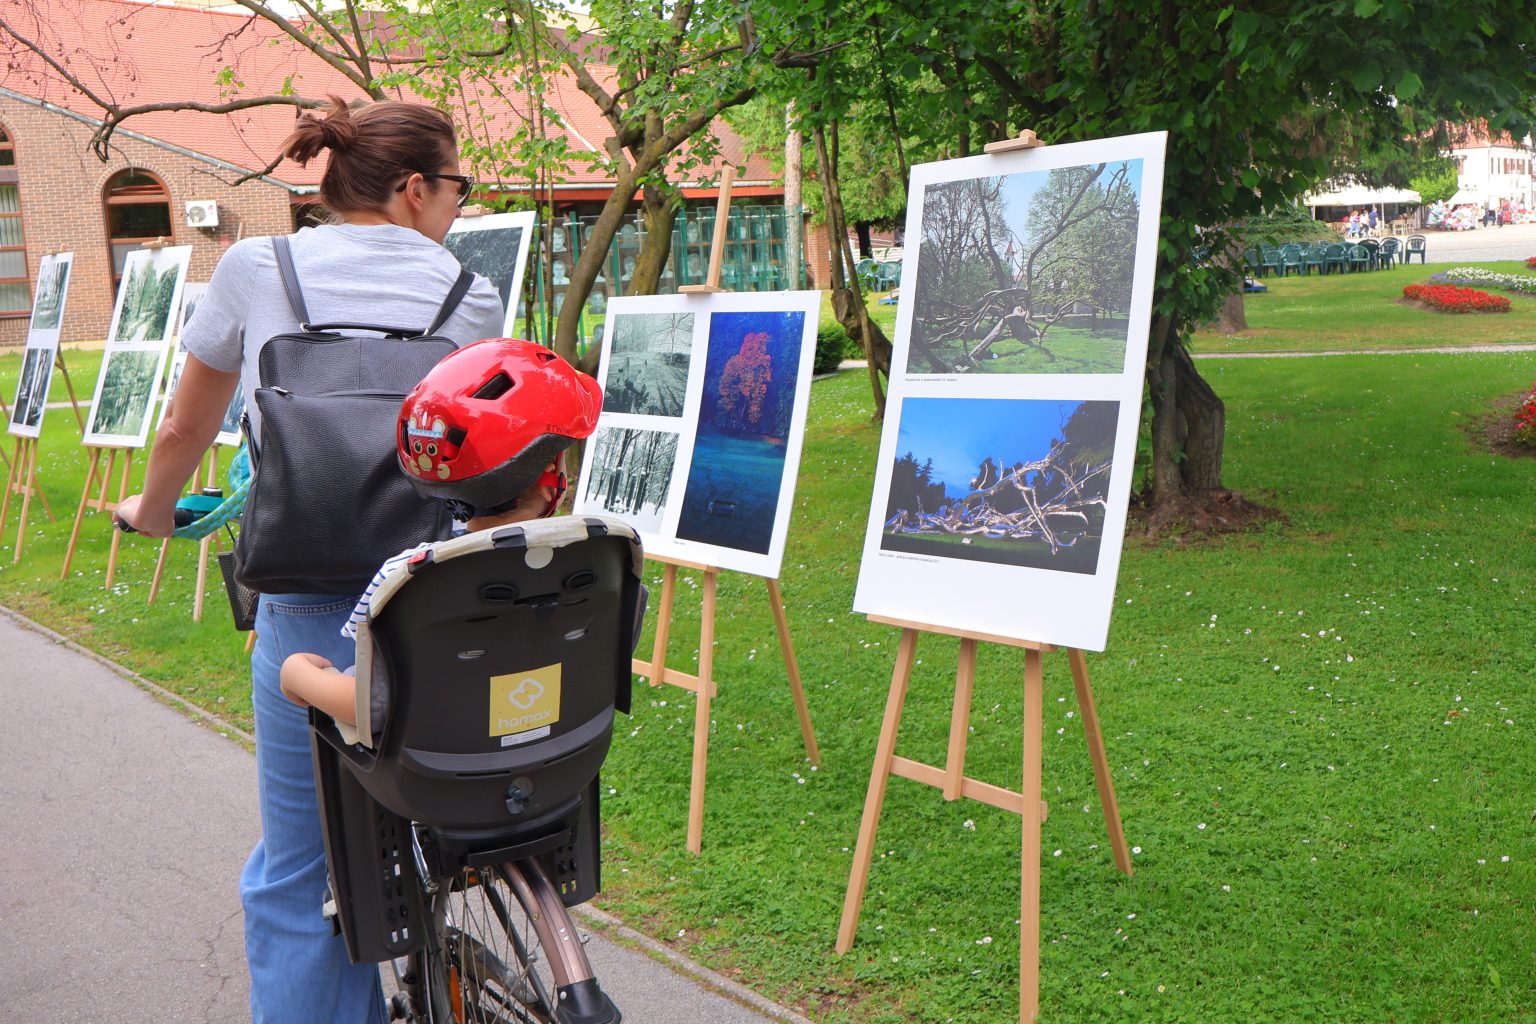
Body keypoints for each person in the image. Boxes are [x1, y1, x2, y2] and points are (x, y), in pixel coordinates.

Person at [114, 97, 504, 1024]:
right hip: (433, 601)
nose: (458, 206)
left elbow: (186, 424)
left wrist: (158, 514)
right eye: (458, 187)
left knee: (300, 873)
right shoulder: (468, 292)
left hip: (310, 608)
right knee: (433, 822)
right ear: (414, 189)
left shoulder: (258, 268)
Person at [279, 337, 603, 733]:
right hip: (559, 768)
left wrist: (297, 674)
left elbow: (373, 706)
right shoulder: (603, 559)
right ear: (552, 476)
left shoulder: (411, 577)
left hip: (434, 788)